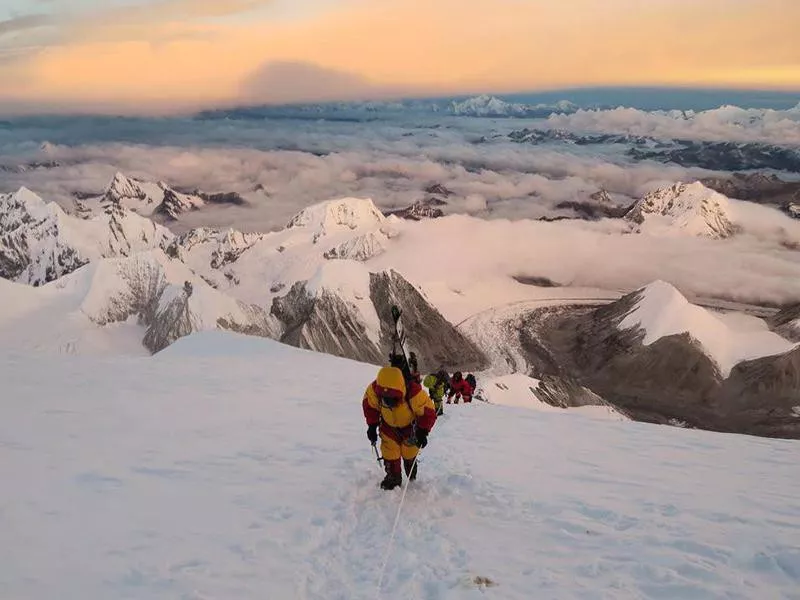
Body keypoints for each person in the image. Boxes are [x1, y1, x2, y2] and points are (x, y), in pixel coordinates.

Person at [363, 365, 437, 490]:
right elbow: (370, 406)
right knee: (390, 452)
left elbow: (428, 412)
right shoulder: (375, 390)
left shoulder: (413, 392)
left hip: (409, 429)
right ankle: (393, 477)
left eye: (393, 399)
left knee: (409, 452)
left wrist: (422, 432)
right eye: (385, 399)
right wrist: (372, 425)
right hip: (388, 428)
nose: (388, 402)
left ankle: (410, 467)